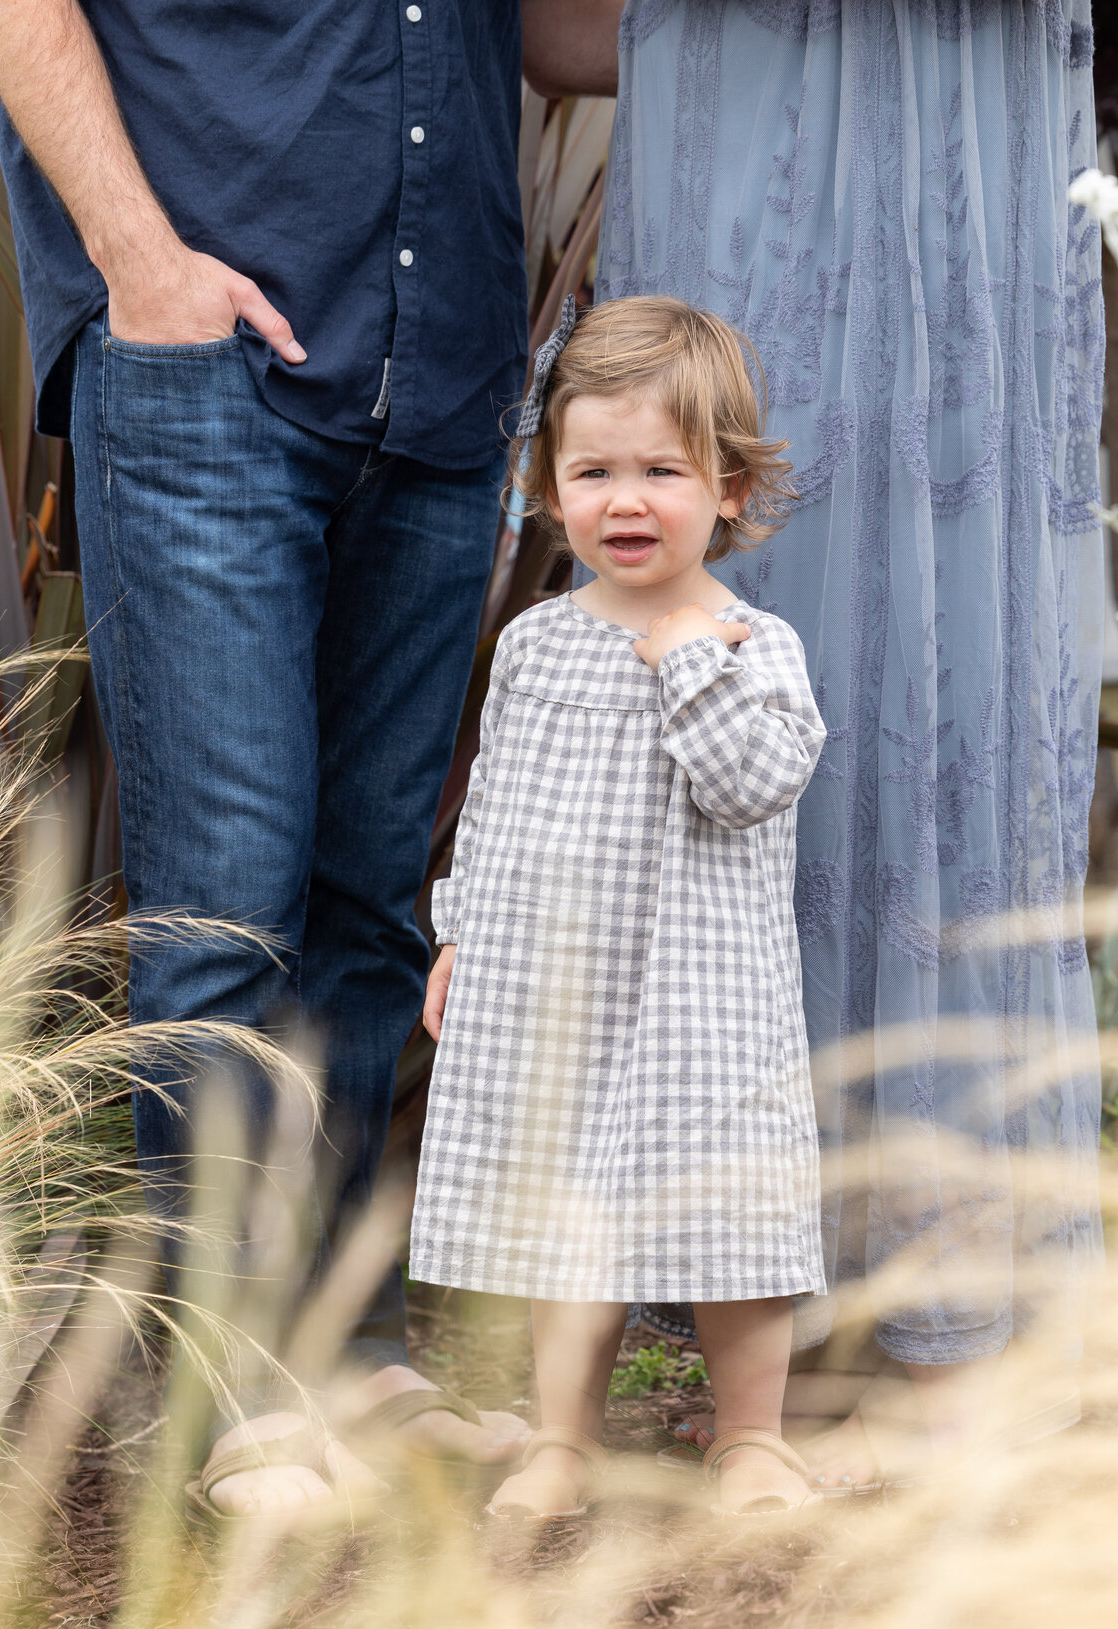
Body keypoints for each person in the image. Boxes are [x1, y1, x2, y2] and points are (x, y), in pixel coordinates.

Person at [0, 0, 557, 1515]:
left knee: (368, 899)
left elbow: (558, 40)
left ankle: (353, 1352)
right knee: (224, 907)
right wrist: (137, 263)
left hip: (437, 376)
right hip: (205, 370)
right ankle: (231, 1384)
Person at [533, 1, 1106, 1486]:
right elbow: (549, 34)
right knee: (724, 538)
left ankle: (959, 1319)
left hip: (966, 103)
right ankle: (767, 1328)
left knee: (960, 655)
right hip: (742, 94)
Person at [410, 296, 827, 1519]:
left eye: (662, 470)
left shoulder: (753, 643)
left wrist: (683, 658)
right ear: (550, 488)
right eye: (594, 471)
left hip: (707, 993)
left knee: (735, 1203)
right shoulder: (538, 644)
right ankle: (564, 1441)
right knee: (569, 1213)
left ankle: (752, 1437)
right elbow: (492, 805)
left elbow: (755, 783)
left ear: (731, 488)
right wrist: (460, 934)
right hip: (562, 985)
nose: (626, 500)